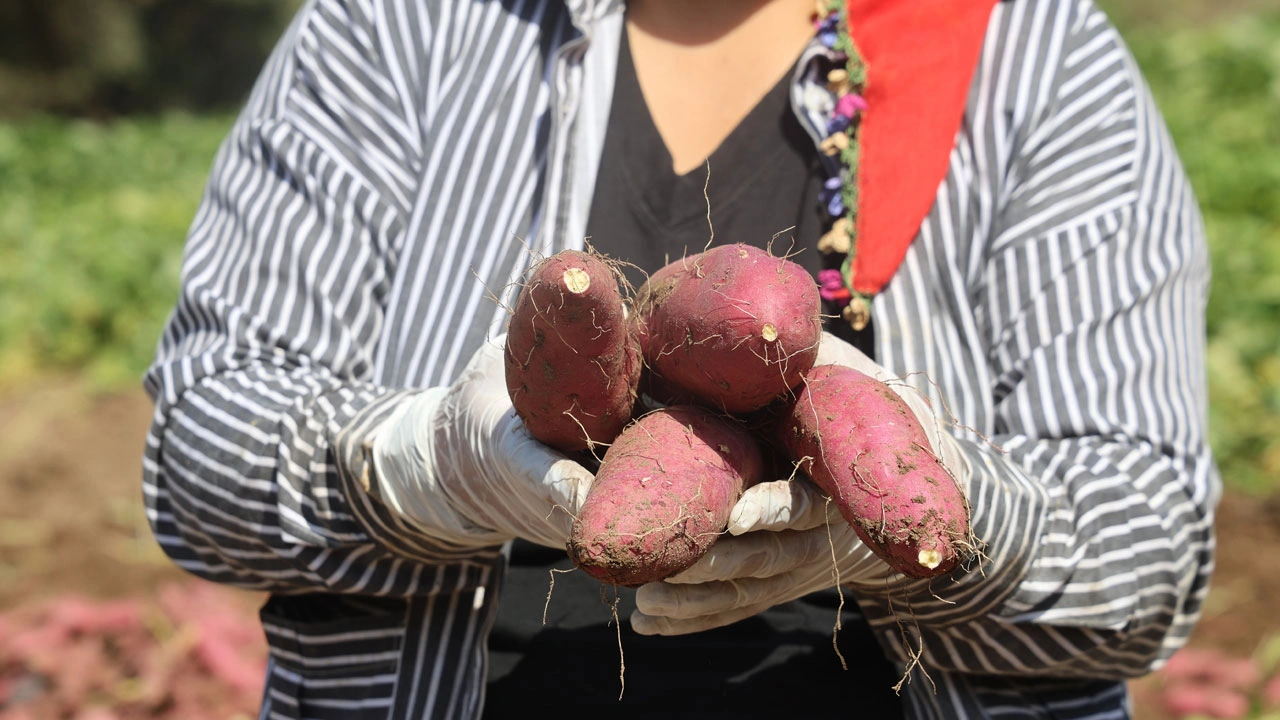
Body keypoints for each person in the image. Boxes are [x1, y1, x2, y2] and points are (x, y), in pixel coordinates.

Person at [140, 0, 1220, 717]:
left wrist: (955, 516)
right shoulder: (396, 29)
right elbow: (201, 455)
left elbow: (1153, 548)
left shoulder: (1027, 52)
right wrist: (418, 468)